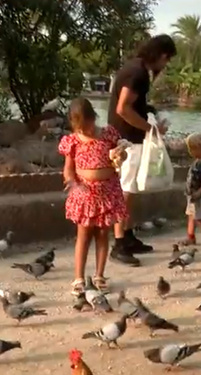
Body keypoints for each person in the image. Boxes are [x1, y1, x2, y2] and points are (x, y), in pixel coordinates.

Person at [107, 34, 177, 266]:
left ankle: (127, 235)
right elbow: (123, 108)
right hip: (127, 139)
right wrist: (151, 129)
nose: (165, 65)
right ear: (161, 55)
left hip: (127, 136)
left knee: (132, 189)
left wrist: (149, 116)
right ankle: (118, 243)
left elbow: (131, 105)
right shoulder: (138, 73)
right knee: (126, 190)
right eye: (167, 60)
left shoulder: (134, 68)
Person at [58, 97, 128, 294]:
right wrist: (72, 183)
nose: (85, 132)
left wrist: (121, 154)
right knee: (83, 234)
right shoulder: (73, 141)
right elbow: (68, 169)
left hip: (107, 192)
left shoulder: (108, 134)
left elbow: (121, 157)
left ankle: (99, 275)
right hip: (85, 193)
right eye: (80, 129)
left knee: (103, 234)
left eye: (87, 127)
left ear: (93, 118)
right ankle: (79, 278)